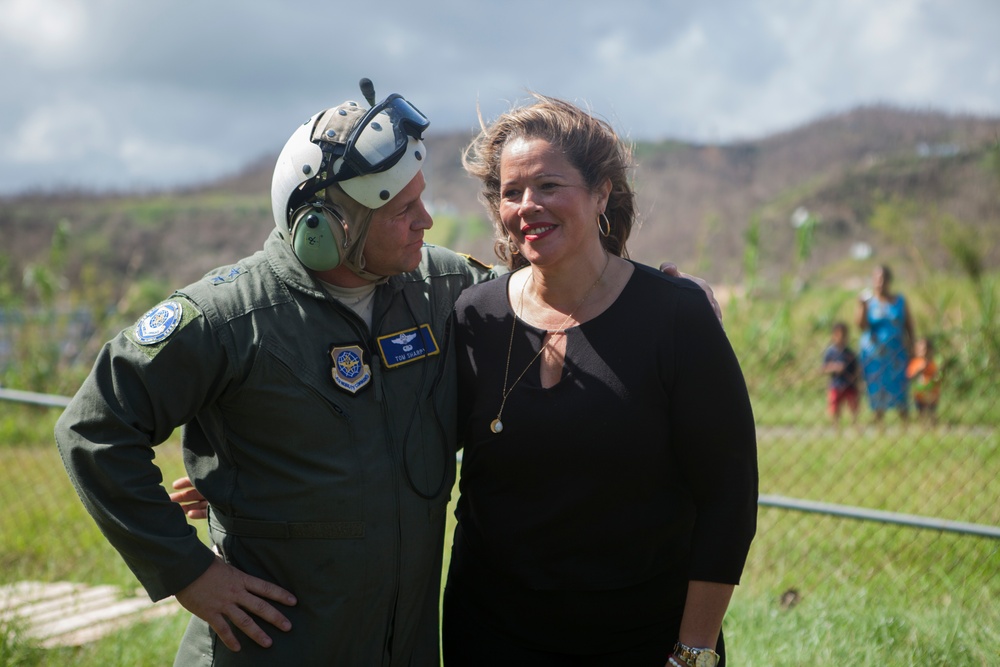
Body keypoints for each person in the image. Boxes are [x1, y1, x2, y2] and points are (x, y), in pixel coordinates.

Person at [56, 80, 721, 667]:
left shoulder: (440, 287)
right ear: (329, 228)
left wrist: (651, 291)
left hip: (400, 646)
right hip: (273, 649)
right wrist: (189, 570)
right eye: (404, 212)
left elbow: (551, 293)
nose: (426, 222)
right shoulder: (228, 318)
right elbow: (93, 430)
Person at [442, 94, 758, 667]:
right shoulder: (474, 316)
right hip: (490, 636)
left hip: (641, 639)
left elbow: (729, 499)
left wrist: (693, 652)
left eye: (548, 185)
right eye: (511, 192)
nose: (527, 206)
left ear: (602, 193)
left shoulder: (676, 316)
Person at [855, 264, 915, 423]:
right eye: (876, 279)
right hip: (874, 355)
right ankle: (878, 420)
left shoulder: (899, 302)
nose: (879, 282)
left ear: (889, 280)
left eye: (882, 279)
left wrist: (913, 347)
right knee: (876, 386)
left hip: (896, 353)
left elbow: (909, 326)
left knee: (899, 386)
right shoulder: (868, 303)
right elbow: (861, 326)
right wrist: (861, 306)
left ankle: (905, 421)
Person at [821, 321, 861, 425]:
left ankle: (855, 423)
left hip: (849, 384)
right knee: (834, 406)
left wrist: (856, 379)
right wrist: (835, 367)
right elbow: (824, 368)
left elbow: (856, 368)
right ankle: (836, 425)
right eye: (838, 335)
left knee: (853, 405)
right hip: (836, 384)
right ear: (833, 336)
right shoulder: (830, 353)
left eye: (844, 335)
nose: (841, 338)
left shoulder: (850, 353)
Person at [907, 336, 941, 423]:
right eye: (920, 349)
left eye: (925, 349)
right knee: (921, 411)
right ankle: (922, 424)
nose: (923, 352)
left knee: (932, 411)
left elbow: (937, 376)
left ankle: (933, 424)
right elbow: (910, 376)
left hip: (932, 393)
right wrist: (920, 370)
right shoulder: (915, 363)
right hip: (920, 394)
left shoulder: (932, 363)